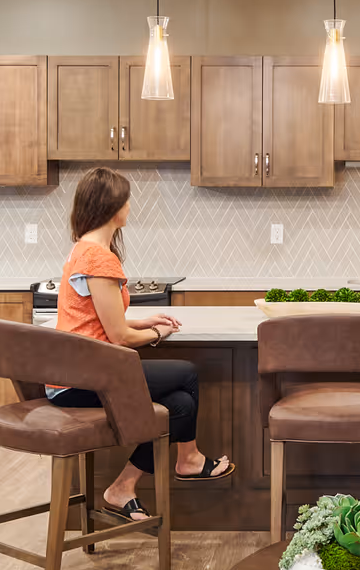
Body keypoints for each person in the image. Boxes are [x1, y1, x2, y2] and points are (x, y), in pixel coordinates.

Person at [47, 167, 233, 521]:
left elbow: (96, 323)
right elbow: (119, 337)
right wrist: (158, 334)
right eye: (127, 201)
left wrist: (142, 321)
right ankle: (189, 460)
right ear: (113, 207)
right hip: (81, 381)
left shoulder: (82, 250)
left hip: (77, 374)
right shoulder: (100, 258)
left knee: (178, 405)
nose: (130, 207)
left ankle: (123, 487)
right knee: (187, 375)